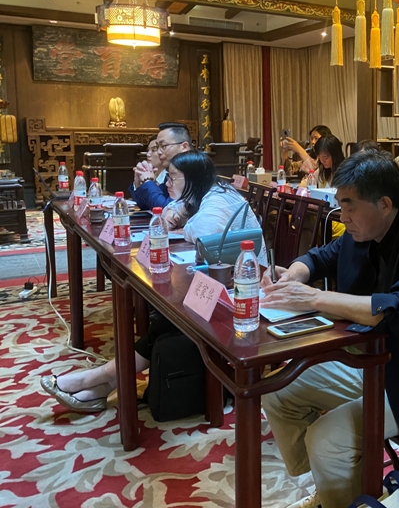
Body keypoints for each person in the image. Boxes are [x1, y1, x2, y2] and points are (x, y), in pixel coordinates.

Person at [259, 151, 399, 508]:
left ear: (385, 204)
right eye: (340, 205)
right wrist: (294, 275)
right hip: (375, 358)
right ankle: (336, 491)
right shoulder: (364, 228)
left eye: (349, 207)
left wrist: (314, 297)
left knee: (327, 438)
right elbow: (321, 256)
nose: (342, 217)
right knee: (277, 393)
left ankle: (339, 488)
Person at [40, 151, 265, 413]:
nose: (167, 184)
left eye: (172, 178)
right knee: (168, 321)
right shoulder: (202, 191)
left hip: (245, 295)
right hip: (219, 282)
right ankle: (102, 384)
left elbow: (201, 232)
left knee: (174, 318)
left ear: (192, 179)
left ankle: (98, 380)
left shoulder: (219, 199)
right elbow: (170, 210)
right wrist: (175, 217)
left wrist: (182, 224)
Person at [130, 123, 192, 210]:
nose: (159, 152)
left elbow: (168, 209)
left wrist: (148, 181)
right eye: (158, 147)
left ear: (184, 147)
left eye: (163, 146)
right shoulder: (172, 171)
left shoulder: (193, 169)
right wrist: (139, 183)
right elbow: (147, 205)